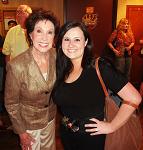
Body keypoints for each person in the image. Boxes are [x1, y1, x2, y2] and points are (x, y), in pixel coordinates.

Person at [52, 21, 142, 150]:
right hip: (67, 135)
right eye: (66, 39)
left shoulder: (98, 67)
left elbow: (134, 98)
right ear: (61, 42)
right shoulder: (62, 68)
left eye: (77, 39)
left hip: (92, 138)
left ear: (85, 42)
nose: (71, 44)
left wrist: (111, 126)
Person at [4, 9, 60, 150]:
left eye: (50, 32)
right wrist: (21, 132)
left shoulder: (57, 56)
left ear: (54, 36)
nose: (44, 38)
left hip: (50, 119)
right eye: (39, 31)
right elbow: (11, 103)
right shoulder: (17, 65)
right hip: (28, 124)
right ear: (30, 34)